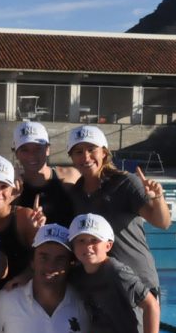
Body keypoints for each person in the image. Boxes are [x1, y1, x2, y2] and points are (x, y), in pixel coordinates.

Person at [66, 125, 170, 292]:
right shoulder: (76, 193)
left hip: (138, 281)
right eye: (78, 152)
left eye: (92, 149)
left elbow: (162, 223)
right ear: (72, 157)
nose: (86, 156)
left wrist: (158, 197)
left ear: (104, 153)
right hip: (100, 285)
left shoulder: (125, 183)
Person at [0, 155, 46, 287]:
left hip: (21, 298)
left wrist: (41, 232)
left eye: (4, 186)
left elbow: (44, 260)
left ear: (12, 189)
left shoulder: (25, 218)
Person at [12, 121, 76, 226]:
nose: (31, 155)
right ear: (16, 154)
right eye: (25, 150)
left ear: (47, 149)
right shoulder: (12, 187)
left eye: (37, 149)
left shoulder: (70, 176)